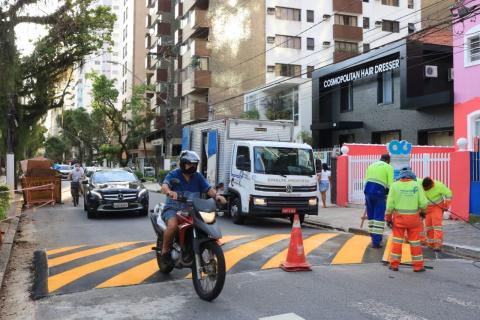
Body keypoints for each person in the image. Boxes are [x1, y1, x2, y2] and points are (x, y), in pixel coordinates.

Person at [160, 150, 226, 268]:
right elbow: (164, 186)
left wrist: (217, 196)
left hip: (191, 210)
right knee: (173, 225)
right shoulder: (174, 174)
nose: (192, 167)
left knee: (204, 225)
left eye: (194, 164)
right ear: (182, 164)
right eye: (189, 164)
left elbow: (208, 189)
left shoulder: (198, 177)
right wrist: (169, 192)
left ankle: (191, 248)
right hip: (173, 209)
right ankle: (164, 252)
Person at [385, 167, 428, 272]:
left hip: (399, 220)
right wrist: (423, 212)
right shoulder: (417, 184)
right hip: (414, 220)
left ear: (400, 176)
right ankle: (418, 266)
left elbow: (390, 205)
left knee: (397, 242)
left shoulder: (395, 185)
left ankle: (394, 264)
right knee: (415, 242)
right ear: (412, 176)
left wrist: (388, 218)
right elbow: (423, 203)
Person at [364, 154, 394, 248]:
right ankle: (376, 242)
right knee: (379, 217)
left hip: (368, 191)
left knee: (371, 216)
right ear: (388, 160)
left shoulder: (371, 165)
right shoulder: (388, 167)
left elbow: (365, 181)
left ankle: (373, 237)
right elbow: (390, 185)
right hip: (379, 192)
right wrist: (388, 196)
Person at [418, 177, 452, 252]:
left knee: (437, 226)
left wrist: (446, 205)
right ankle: (431, 244)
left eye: (426, 188)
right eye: (424, 188)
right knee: (428, 226)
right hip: (427, 208)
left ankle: (437, 245)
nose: (425, 189)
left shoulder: (439, 186)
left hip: (437, 207)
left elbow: (448, 194)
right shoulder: (420, 184)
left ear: (431, 185)